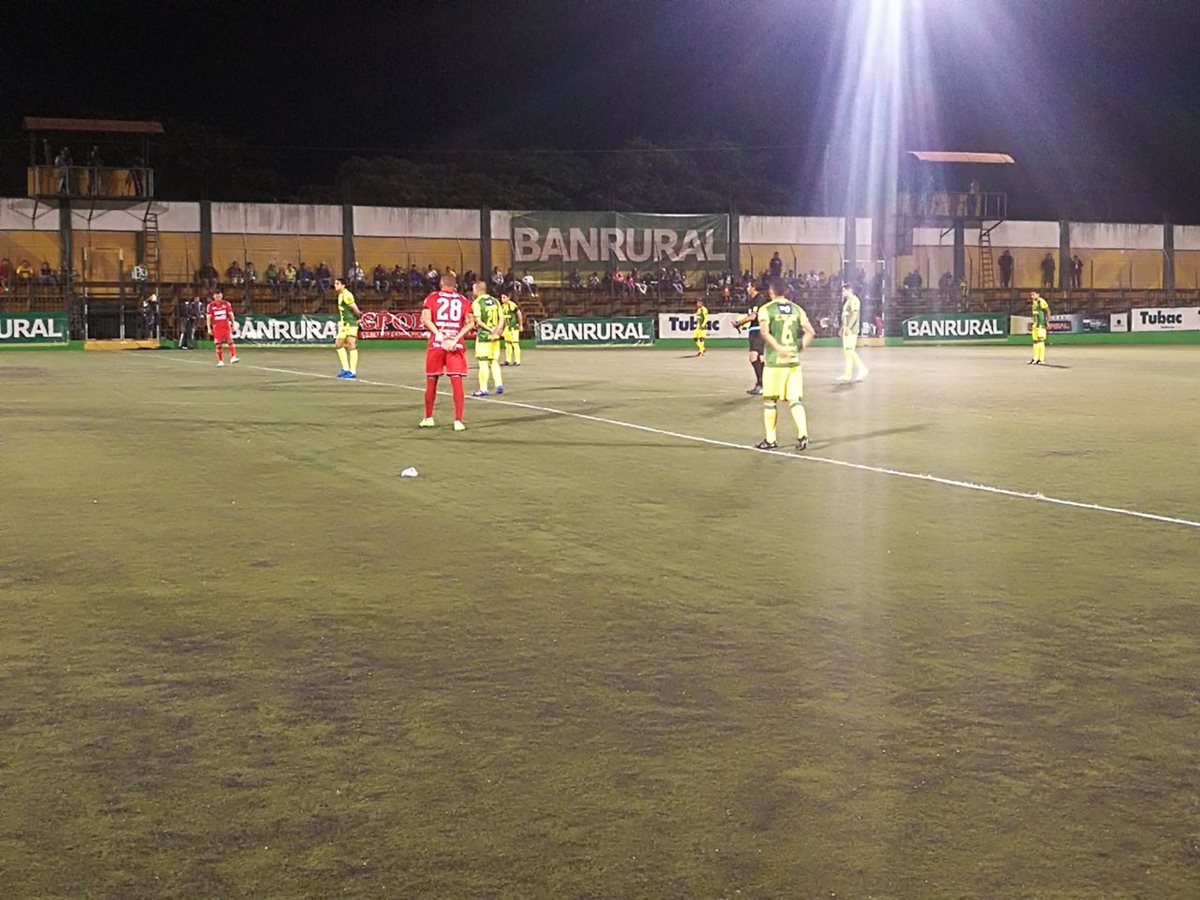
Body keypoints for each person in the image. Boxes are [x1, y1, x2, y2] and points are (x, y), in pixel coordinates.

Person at [756, 277, 814, 450]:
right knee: (795, 400)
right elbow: (811, 332)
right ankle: (803, 434)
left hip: (775, 363)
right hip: (794, 363)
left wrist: (779, 348)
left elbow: (764, 333)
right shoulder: (797, 309)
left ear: (771, 292)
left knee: (769, 401)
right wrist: (798, 348)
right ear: (786, 292)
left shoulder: (766, 309)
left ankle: (770, 439)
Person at [420, 273, 474, 431]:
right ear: (455, 286)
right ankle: (458, 420)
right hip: (454, 345)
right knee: (456, 381)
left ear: (441, 284)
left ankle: (428, 418)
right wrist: (456, 338)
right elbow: (470, 323)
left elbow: (425, 319)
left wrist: (439, 335)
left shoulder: (432, 297)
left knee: (432, 380)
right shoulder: (464, 300)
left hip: (437, 344)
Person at [470, 281, 505, 397]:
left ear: (478, 290)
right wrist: (497, 330)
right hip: (495, 337)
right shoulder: (495, 301)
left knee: (483, 362)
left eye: (474, 289)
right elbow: (502, 318)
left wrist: (490, 330)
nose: (473, 291)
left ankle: (483, 388)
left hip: (484, 336)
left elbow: (478, 321)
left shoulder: (477, 303)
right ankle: (499, 384)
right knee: (494, 361)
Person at [733, 282, 765, 394]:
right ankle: (763, 383)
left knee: (753, 357)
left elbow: (753, 316)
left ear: (753, 288)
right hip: (755, 330)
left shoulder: (759, 299)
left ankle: (761, 385)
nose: (746, 288)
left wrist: (739, 323)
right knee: (760, 358)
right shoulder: (753, 300)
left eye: (748, 286)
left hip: (758, 330)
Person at [837, 283, 868, 384]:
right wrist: (843, 328)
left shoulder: (854, 300)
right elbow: (845, 316)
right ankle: (847, 375)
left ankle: (862, 368)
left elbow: (855, 314)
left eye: (843, 290)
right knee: (847, 352)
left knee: (850, 350)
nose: (842, 292)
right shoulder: (847, 302)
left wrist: (849, 327)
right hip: (847, 329)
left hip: (851, 329)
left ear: (848, 290)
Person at [333, 277, 363, 379]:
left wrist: (359, 316)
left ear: (343, 285)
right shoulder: (340, 295)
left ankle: (352, 371)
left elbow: (355, 308)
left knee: (351, 344)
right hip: (344, 324)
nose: (335, 285)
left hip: (350, 323)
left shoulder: (347, 295)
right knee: (338, 345)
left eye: (337, 283)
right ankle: (345, 368)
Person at [206, 290, 238, 366]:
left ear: (222, 296)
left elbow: (231, 315)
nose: (218, 297)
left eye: (219, 296)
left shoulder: (226, 304)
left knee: (230, 341)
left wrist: (233, 324)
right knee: (218, 344)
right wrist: (209, 328)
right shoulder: (210, 306)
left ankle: (233, 357)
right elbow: (208, 317)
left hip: (226, 325)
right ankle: (220, 361)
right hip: (217, 327)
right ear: (214, 296)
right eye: (217, 296)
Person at [500, 290, 523, 366]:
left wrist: (520, 325)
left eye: (504, 297)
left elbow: (519, 314)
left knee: (515, 344)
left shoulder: (512, 305)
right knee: (507, 344)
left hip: (513, 327)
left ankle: (517, 360)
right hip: (507, 328)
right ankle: (508, 359)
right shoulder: (503, 307)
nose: (502, 299)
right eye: (501, 297)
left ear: (508, 298)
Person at [1028, 290, 1049, 366]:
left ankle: (1041, 359)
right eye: (1031, 295)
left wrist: (1047, 321)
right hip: (1035, 325)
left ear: (1038, 294)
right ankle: (1034, 358)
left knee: (1041, 341)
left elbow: (1048, 311)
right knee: (1035, 342)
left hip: (1041, 324)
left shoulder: (1041, 301)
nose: (1032, 296)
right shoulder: (1034, 303)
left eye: (1033, 295)